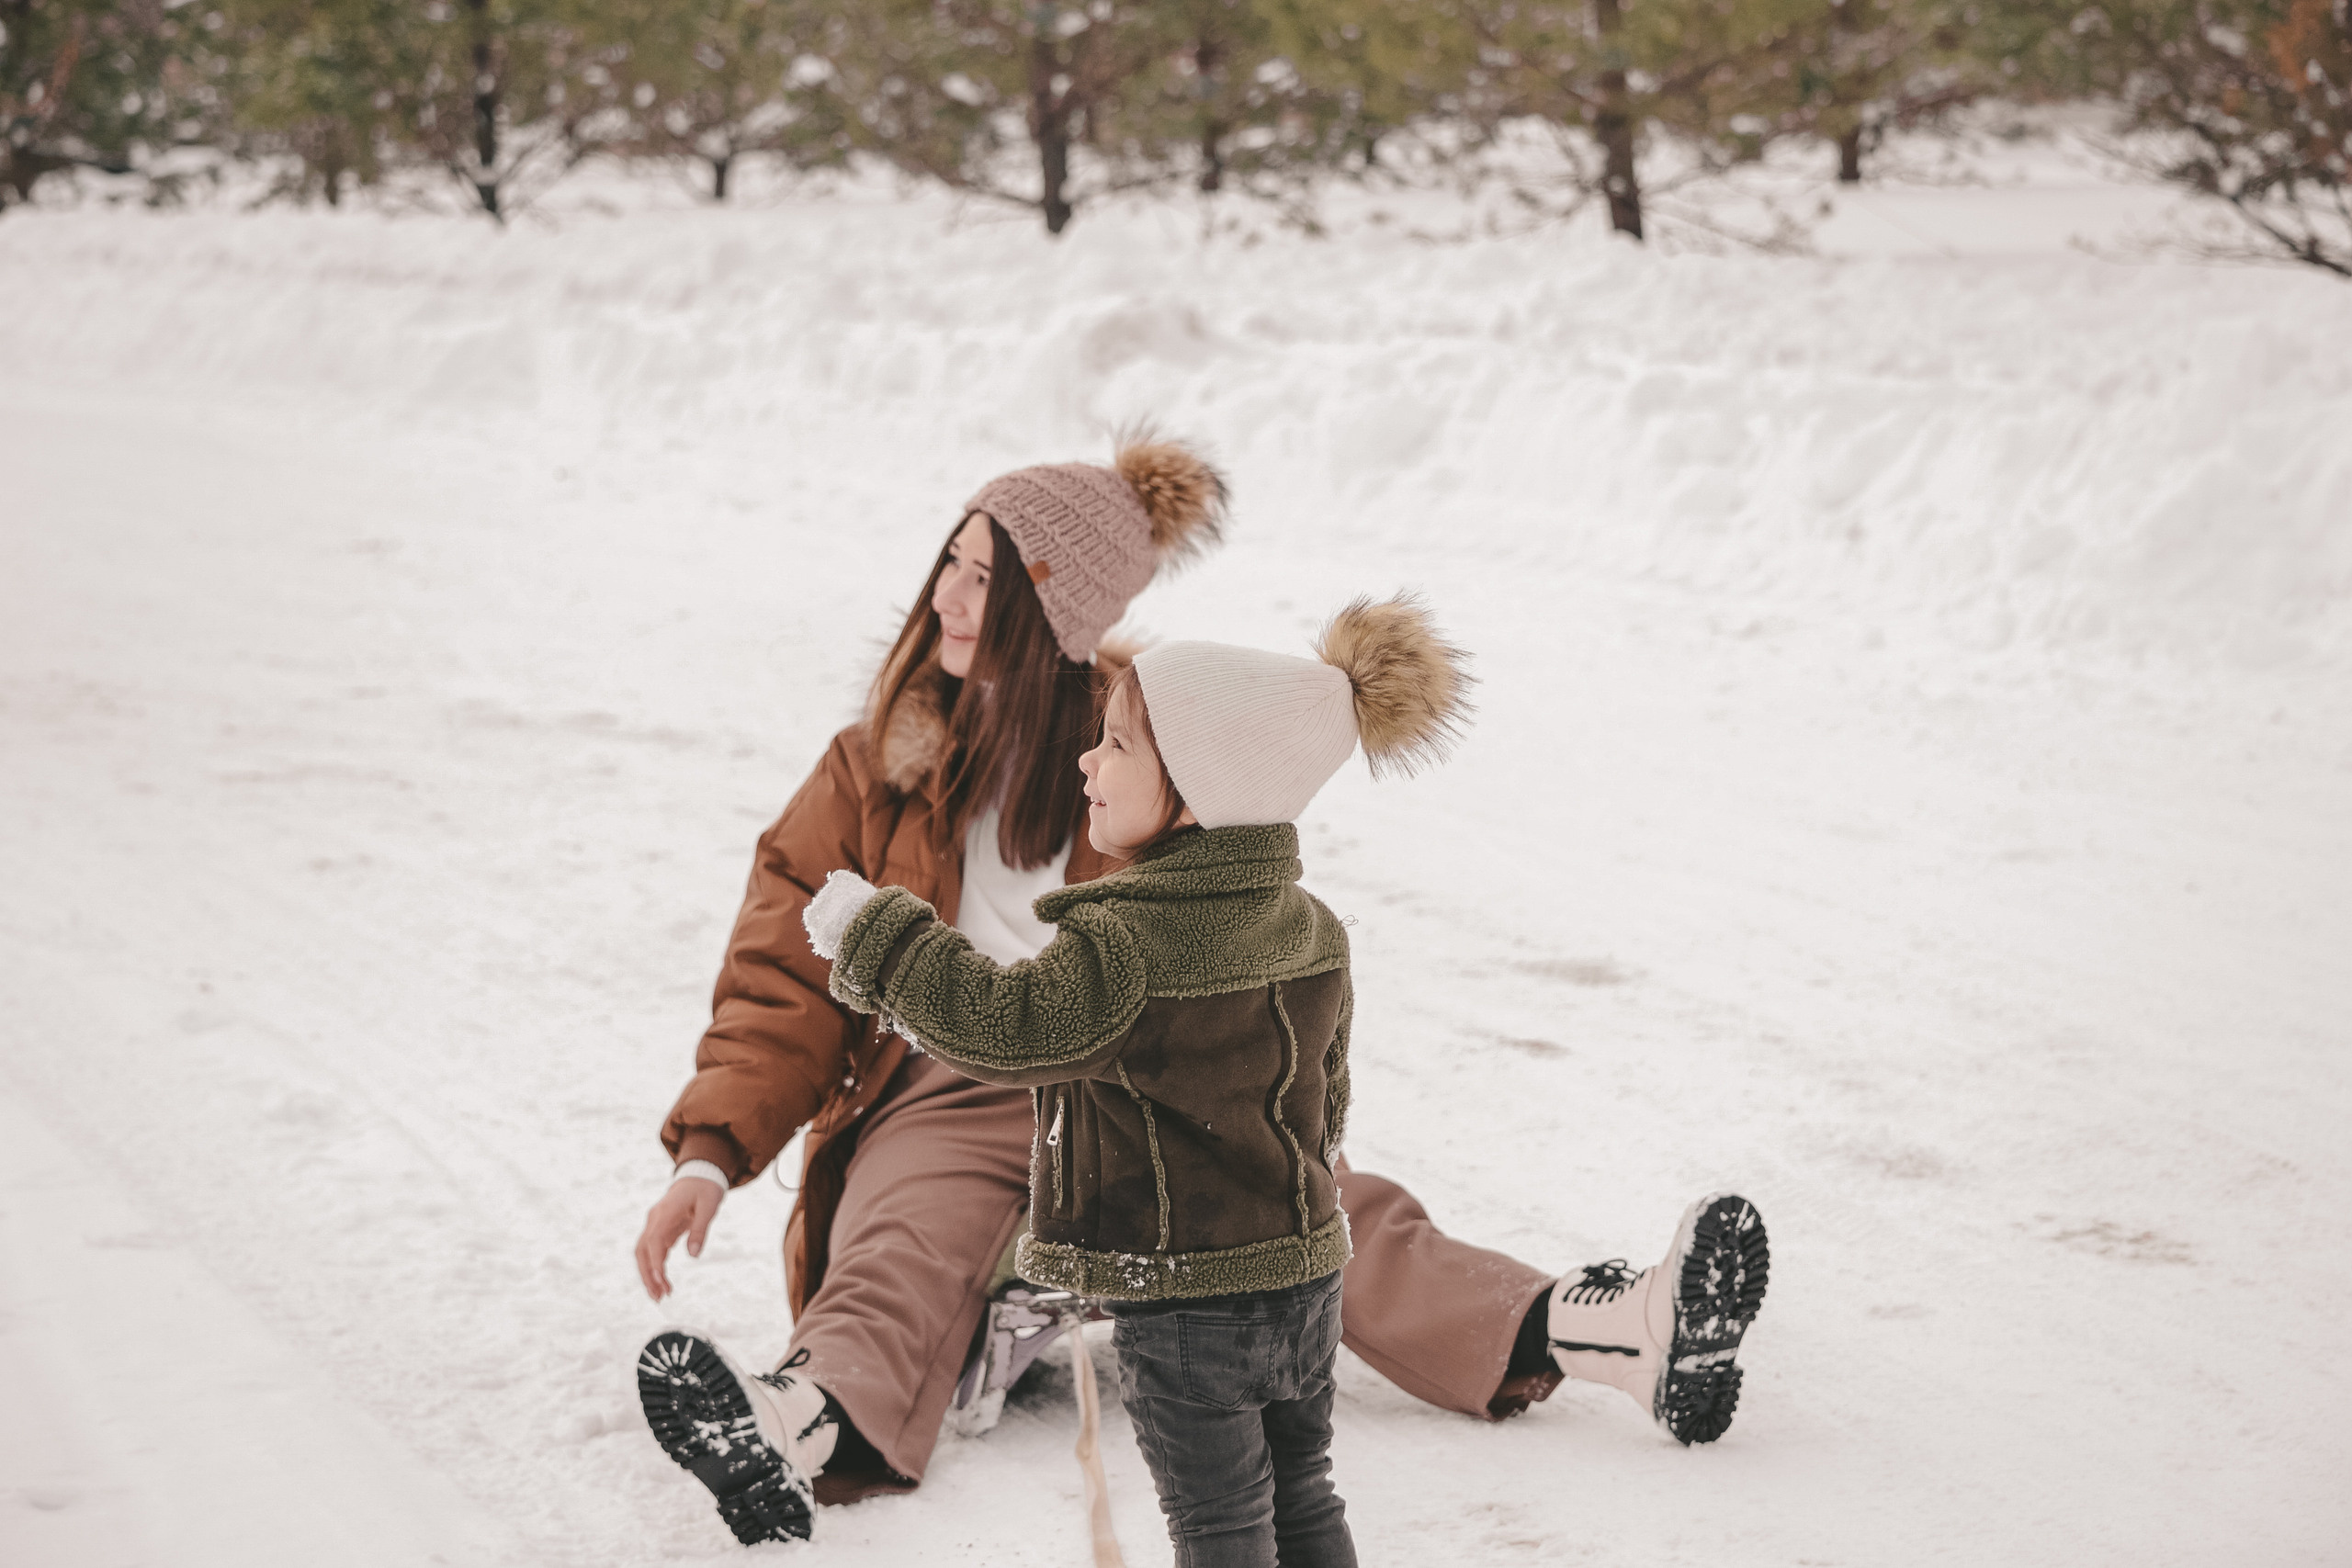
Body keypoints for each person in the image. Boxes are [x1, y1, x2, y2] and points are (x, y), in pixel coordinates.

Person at [630, 434, 1771, 1547]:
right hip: (945, 1084)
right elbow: (780, 970)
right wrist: (708, 1154)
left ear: (1061, 611)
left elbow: (1240, 937)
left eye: (989, 578)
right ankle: (793, 1423)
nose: (949, 598)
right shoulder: (873, 765)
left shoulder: (1155, 755)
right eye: (950, 563)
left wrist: (1289, 1127)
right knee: (904, 1240)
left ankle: (1613, 1328)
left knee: (1307, 1213)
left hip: (1129, 1079)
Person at [796, 593, 1476, 1567]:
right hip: (1308, 1278)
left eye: (1116, 746)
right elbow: (1325, 1091)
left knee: (1221, 1529)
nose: (1087, 762)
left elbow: (1005, 1028)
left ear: (1196, 792)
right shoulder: (1309, 924)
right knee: (1302, 1495)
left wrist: (881, 936)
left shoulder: (1129, 946)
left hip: (1190, 1304)